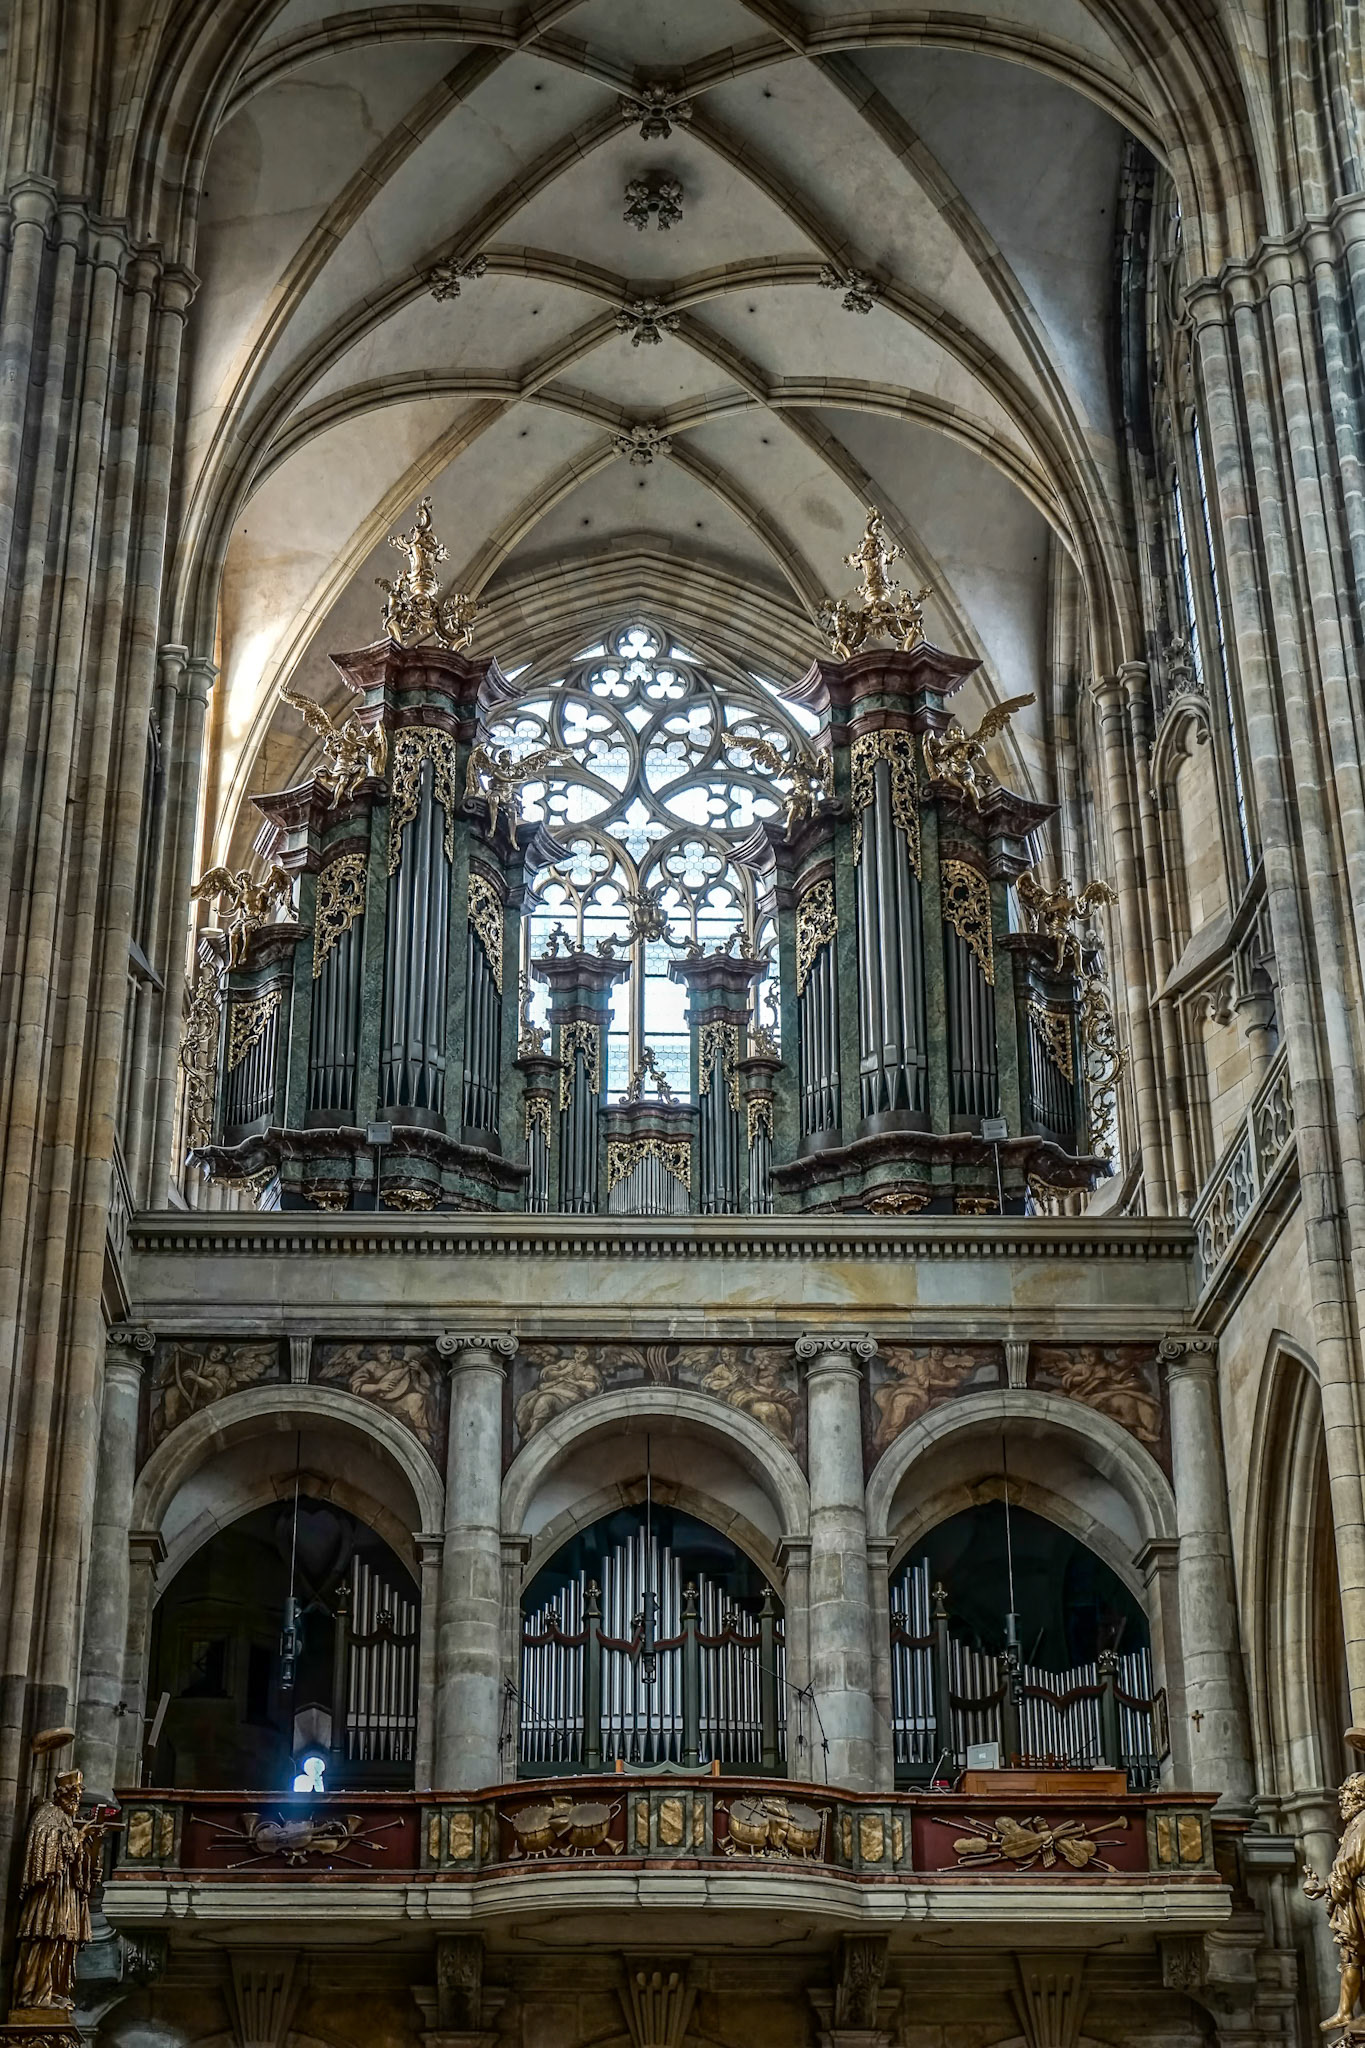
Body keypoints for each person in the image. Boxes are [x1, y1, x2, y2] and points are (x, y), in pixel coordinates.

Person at [9, 1768, 106, 2015]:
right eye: (72, 1798)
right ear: (61, 1796)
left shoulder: (64, 1819)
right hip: (49, 1895)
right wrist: (79, 1836)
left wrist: (88, 1847)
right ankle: (35, 1994)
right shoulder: (48, 1814)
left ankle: (54, 1991)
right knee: (47, 1938)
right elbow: (47, 1847)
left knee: (64, 1942)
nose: (76, 1803)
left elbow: (72, 1854)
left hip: (66, 1893)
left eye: (78, 1799)